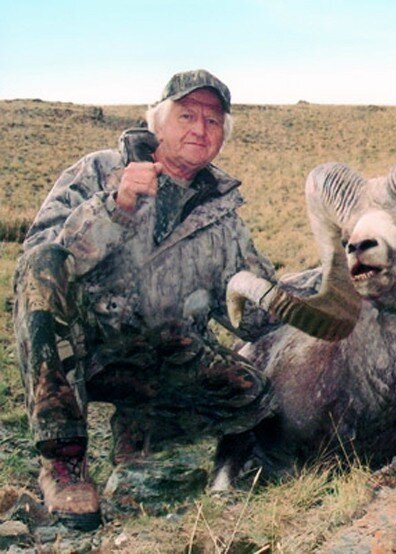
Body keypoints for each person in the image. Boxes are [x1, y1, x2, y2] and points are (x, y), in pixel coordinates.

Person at [13, 69, 279, 530]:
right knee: (42, 267)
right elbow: (42, 257)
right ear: (157, 122)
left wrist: (312, 291)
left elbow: (253, 318)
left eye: (213, 121)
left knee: (253, 393)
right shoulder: (96, 170)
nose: (200, 129)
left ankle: (143, 435)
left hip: (159, 357)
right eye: (187, 115)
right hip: (83, 342)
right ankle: (64, 460)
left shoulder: (225, 215)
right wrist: (114, 208)